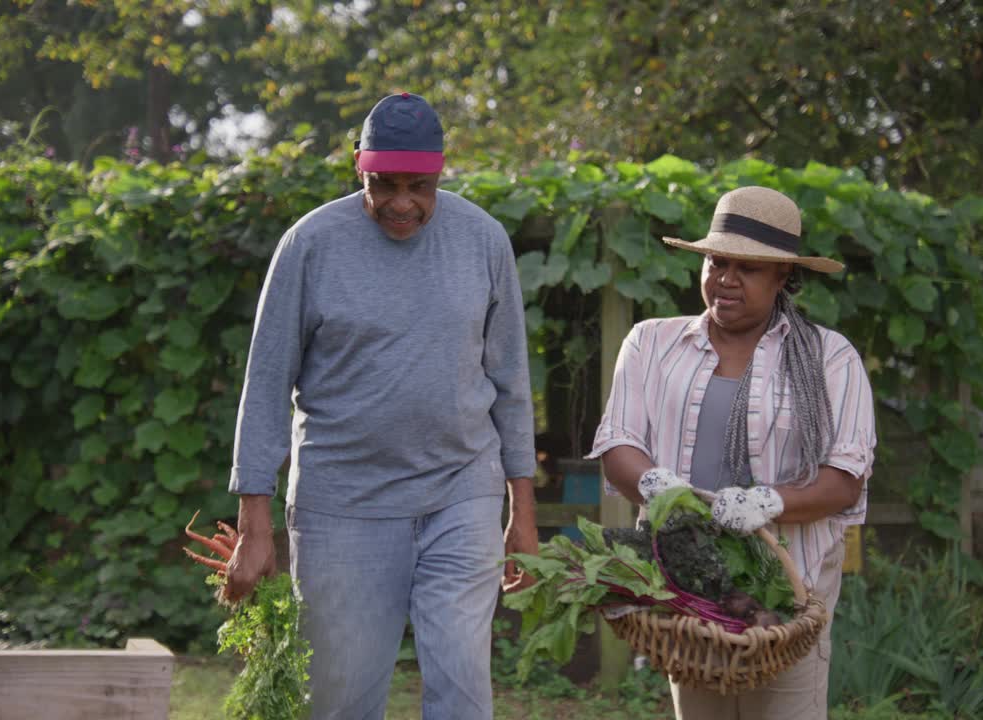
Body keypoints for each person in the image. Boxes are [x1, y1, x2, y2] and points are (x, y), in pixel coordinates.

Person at [221, 92, 539, 720]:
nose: (401, 202)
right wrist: (255, 526)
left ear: (441, 173)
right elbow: (265, 383)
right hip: (344, 505)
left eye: (418, 186)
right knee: (343, 700)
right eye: (382, 183)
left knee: (464, 691)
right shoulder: (309, 245)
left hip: (461, 492)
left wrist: (519, 510)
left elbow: (511, 383)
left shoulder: (483, 240)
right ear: (356, 168)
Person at [588, 186, 875, 719]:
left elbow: (844, 479)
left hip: (789, 595)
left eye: (749, 268)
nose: (725, 279)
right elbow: (618, 443)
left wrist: (767, 502)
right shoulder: (651, 344)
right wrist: (659, 487)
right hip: (688, 591)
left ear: (784, 276)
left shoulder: (830, 359)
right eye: (718, 261)